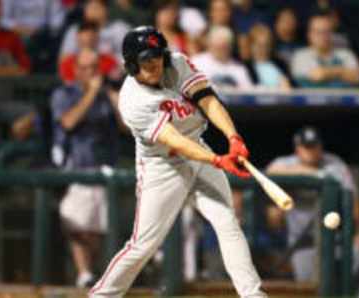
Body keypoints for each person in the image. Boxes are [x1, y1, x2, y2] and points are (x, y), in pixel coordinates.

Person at [89, 26, 265, 298]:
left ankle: (253, 294)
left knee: (228, 221)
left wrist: (233, 137)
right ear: (131, 64)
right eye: (146, 59)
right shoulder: (132, 99)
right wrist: (217, 159)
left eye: (157, 55)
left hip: (200, 151)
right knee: (143, 245)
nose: (155, 63)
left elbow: (207, 100)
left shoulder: (177, 63)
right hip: (163, 166)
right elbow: (175, 141)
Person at [266, 126, 359, 298]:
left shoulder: (334, 164)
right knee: (311, 290)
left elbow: (352, 199)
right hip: (301, 244)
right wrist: (312, 173)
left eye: (314, 146)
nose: (311, 151)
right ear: (298, 148)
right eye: (306, 147)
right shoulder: (285, 163)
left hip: (334, 238)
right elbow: (269, 174)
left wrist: (358, 233)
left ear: (320, 146)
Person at [51, 48, 121, 288]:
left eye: (94, 67)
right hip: (76, 167)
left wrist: (113, 97)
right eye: (86, 67)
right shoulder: (64, 93)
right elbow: (69, 122)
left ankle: (91, 274)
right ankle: (84, 272)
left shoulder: (106, 95)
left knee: (97, 229)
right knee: (77, 224)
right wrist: (91, 92)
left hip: (105, 168)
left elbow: (127, 126)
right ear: (76, 70)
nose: (91, 73)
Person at [291, 13, 359, 88]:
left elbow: (357, 78)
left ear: (332, 33)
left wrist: (328, 73)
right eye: (318, 32)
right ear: (309, 34)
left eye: (326, 32)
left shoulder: (346, 54)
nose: (323, 36)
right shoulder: (301, 56)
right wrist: (342, 72)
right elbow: (317, 75)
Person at [60, 0, 130, 62]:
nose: (92, 11)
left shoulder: (119, 28)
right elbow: (64, 60)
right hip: (82, 72)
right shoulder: (74, 30)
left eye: (95, 8)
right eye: (88, 7)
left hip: (115, 73)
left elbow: (129, 56)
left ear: (105, 9)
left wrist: (105, 62)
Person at [245, 24, 292, 90]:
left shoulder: (281, 64)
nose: (262, 48)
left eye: (266, 45)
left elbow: (292, 86)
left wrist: (288, 85)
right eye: (259, 45)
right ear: (251, 45)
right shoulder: (245, 67)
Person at [0, 0, 67, 38]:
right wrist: (16, 28)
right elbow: (3, 19)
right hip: (15, 33)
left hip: (43, 34)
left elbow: (57, 17)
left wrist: (44, 29)